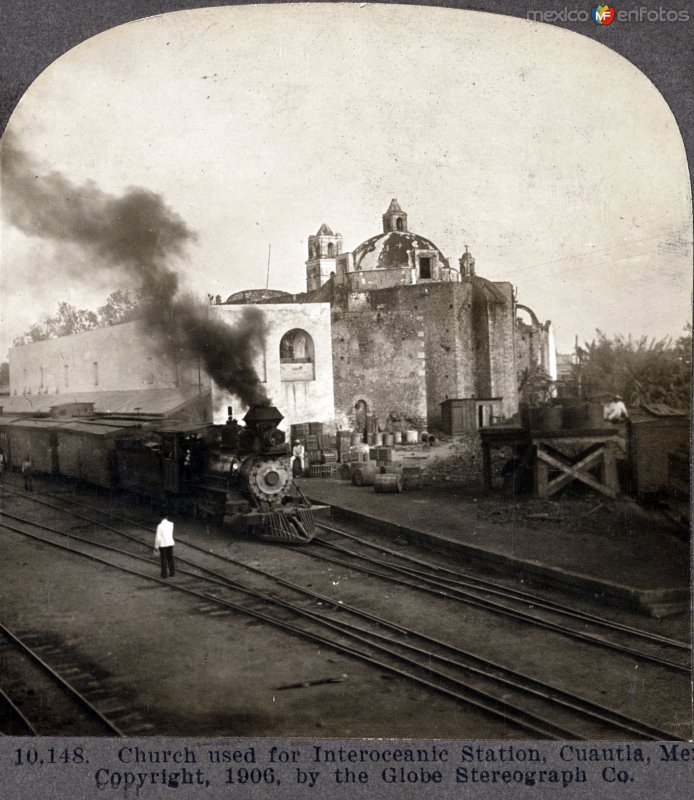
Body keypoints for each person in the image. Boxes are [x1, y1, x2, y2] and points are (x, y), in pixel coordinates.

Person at [154, 513, 175, 578]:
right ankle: (172, 572)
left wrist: (156, 547)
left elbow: (158, 537)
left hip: (163, 545)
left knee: (163, 559)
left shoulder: (160, 526)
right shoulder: (171, 524)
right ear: (167, 516)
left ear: (160, 517)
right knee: (170, 557)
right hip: (170, 543)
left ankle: (164, 574)